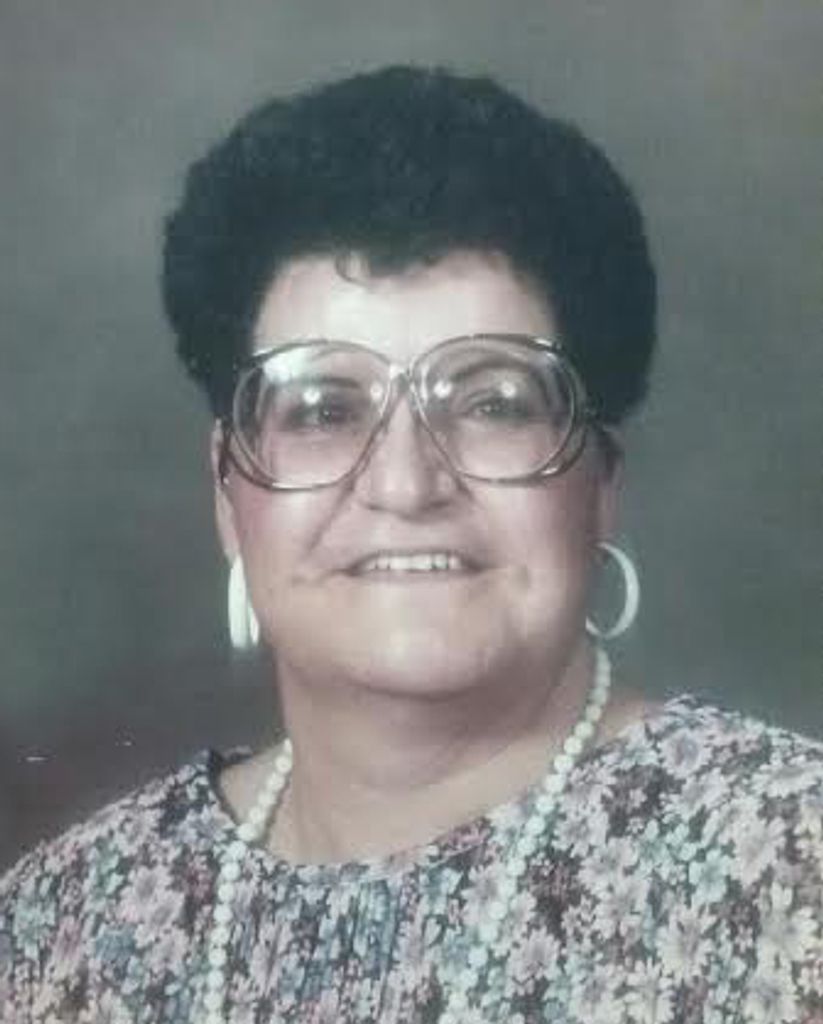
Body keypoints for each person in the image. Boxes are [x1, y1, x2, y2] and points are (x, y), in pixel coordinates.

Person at [1, 65, 821, 1024]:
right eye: (322, 408)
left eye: (492, 403)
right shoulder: (57, 927)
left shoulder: (791, 866)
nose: (405, 483)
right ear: (228, 493)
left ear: (599, 485)